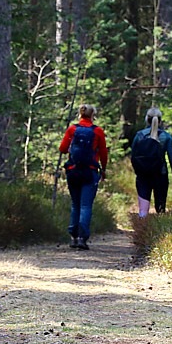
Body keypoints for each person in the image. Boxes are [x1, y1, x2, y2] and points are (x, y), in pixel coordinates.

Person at [59, 104, 108, 250]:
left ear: (80, 114)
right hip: (90, 172)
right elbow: (104, 153)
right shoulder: (98, 131)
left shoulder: (72, 129)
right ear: (93, 115)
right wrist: (103, 170)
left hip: (73, 171)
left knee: (75, 204)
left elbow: (62, 149)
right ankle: (82, 237)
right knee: (86, 205)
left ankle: (73, 236)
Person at [131, 107, 172, 217]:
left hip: (143, 175)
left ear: (146, 119)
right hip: (160, 175)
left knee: (143, 208)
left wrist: (138, 171)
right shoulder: (166, 137)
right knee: (160, 208)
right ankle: (160, 232)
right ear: (160, 120)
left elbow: (133, 157)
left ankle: (141, 230)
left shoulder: (139, 136)